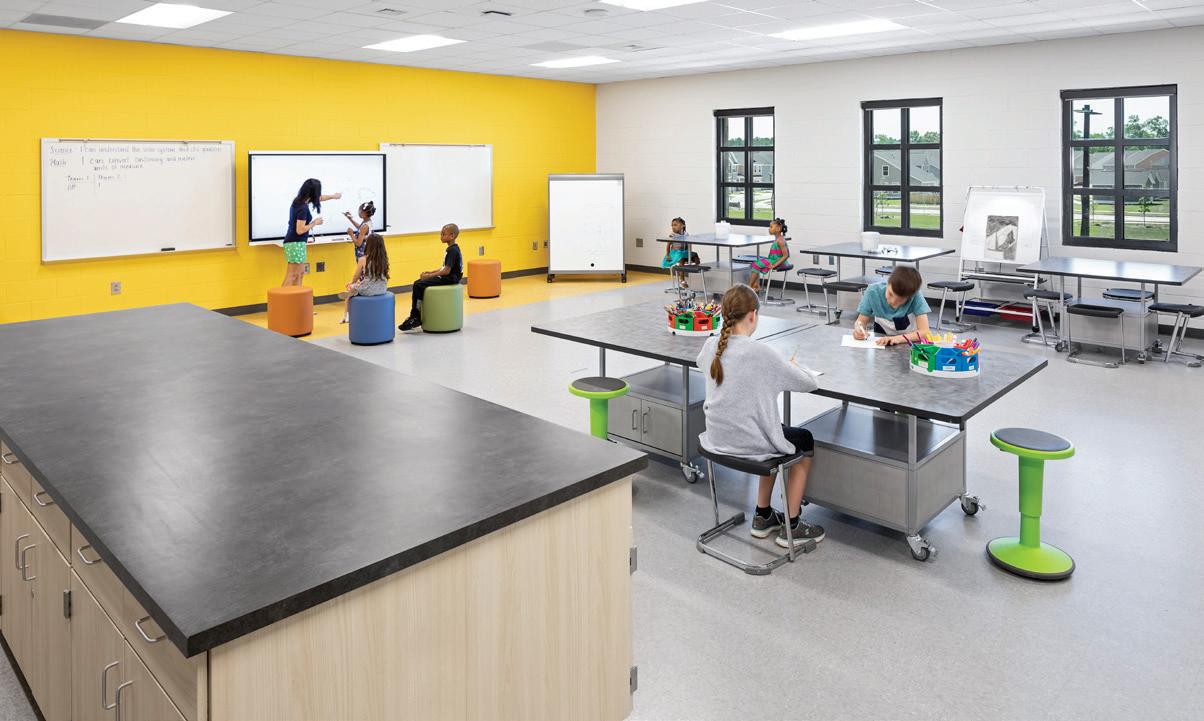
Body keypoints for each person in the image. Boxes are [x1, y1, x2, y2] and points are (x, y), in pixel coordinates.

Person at [696, 284, 825, 548]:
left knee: (773, 429)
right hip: (751, 444)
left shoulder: (711, 346)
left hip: (717, 438)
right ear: (753, 315)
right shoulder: (761, 353)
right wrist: (792, 367)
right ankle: (793, 525)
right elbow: (809, 383)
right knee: (803, 439)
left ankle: (763, 515)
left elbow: (703, 364)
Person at [398, 223, 463, 332]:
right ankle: (415, 315)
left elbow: (446, 271)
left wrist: (429, 276)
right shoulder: (453, 249)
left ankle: (415, 317)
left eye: (443, 234)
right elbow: (444, 267)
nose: (441, 236)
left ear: (452, 236)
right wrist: (431, 272)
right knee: (419, 283)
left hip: (450, 279)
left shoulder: (452, 251)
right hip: (450, 277)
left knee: (418, 285)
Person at [851, 266, 933, 346]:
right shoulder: (872, 292)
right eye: (890, 294)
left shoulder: (916, 295)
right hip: (880, 344)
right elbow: (861, 321)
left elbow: (925, 332)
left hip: (908, 345)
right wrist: (859, 329)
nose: (892, 301)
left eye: (900, 300)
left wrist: (896, 339)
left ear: (910, 297)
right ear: (888, 283)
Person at [281, 178, 341, 287]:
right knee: (292, 275)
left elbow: (320, 198)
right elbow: (300, 230)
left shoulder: (300, 201)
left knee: (300, 274)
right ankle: (281, 298)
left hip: (296, 243)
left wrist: (333, 196)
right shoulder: (303, 207)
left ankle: (297, 297)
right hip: (295, 243)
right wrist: (315, 223)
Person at [339, 201, 376, 322]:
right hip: (363, 254)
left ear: (364, 213)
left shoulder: (365, 226)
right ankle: (348, 314)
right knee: (360, 279)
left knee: (358, 280)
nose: (358, 212)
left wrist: (351, 234)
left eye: (360, 210)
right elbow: (359, 229)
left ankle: (348, 314)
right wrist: (350, 219)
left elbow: (358, 243)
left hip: (362, 255)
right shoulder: (366, 223)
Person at [338, 233, 390, 319]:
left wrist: (351, 283)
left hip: (368, 289)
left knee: (350, 289)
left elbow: (356, 276)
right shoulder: (383, 259)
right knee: (361, 284)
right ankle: (356, 290)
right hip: (382, 288)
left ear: (368, 245)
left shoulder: (363, 259)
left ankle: (346, 316)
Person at [747, 218, 789, 292]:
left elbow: (786, 255)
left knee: (756, 264)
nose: (769, 229)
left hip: (778, 262)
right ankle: (755, 286)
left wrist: (774, 265)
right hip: (774, 260)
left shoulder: (780, 240)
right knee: (756, 263)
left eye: (771, 227)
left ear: (778, 229)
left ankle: (749, 287)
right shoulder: (778, 239)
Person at [662, 217, 695, 289]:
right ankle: (682, 280)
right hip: (674, 254)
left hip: (683, 253)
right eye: (672, 225)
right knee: (681, 259)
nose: (673, 227)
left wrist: (690, 254)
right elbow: (668, 245)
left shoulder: (686, 234)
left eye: (675, 225)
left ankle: (696, 278)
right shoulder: (672, 235)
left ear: (683, 225)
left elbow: (688, 245)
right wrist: (667, 255)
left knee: (695, 256)